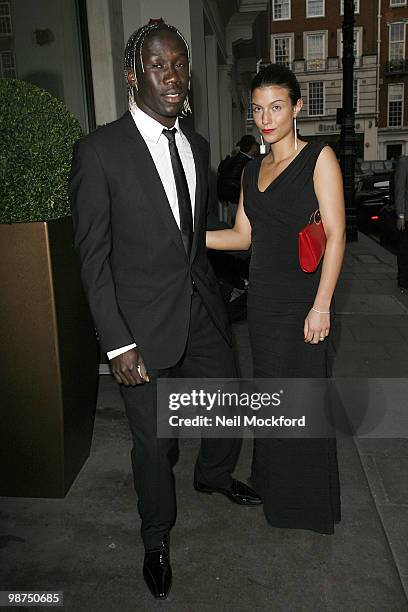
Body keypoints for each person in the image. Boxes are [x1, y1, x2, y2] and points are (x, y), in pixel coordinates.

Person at [69, 20, 260, 600]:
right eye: (159, 65)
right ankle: (156, 537)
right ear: (133, 76)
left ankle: (212, 476)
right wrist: (118, 342)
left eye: (180, 64)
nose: (173, 76)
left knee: (228, 397)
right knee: (153, 442)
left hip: (201, 309)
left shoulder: (198, 147)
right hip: (140, 326)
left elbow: (192, 238)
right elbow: (92, 259)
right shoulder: (99, 151)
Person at [206, 63, 346, 535]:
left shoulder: (318, 157)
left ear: (297, 108)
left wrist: (322, 304)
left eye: (276, 107)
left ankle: (306, 506)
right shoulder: (250, 169)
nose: (266, 118)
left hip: (305, 302)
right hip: (263, 303)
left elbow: (337, 235)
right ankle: (276, 490)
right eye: (258, 109)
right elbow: (242, 236)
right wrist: (189, 236)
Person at [394, 154, 408, 290]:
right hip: (407, 216)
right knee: (405, 250)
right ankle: (403, 280)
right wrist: (401, 215)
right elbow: (400, 190)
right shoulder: (404, 162)